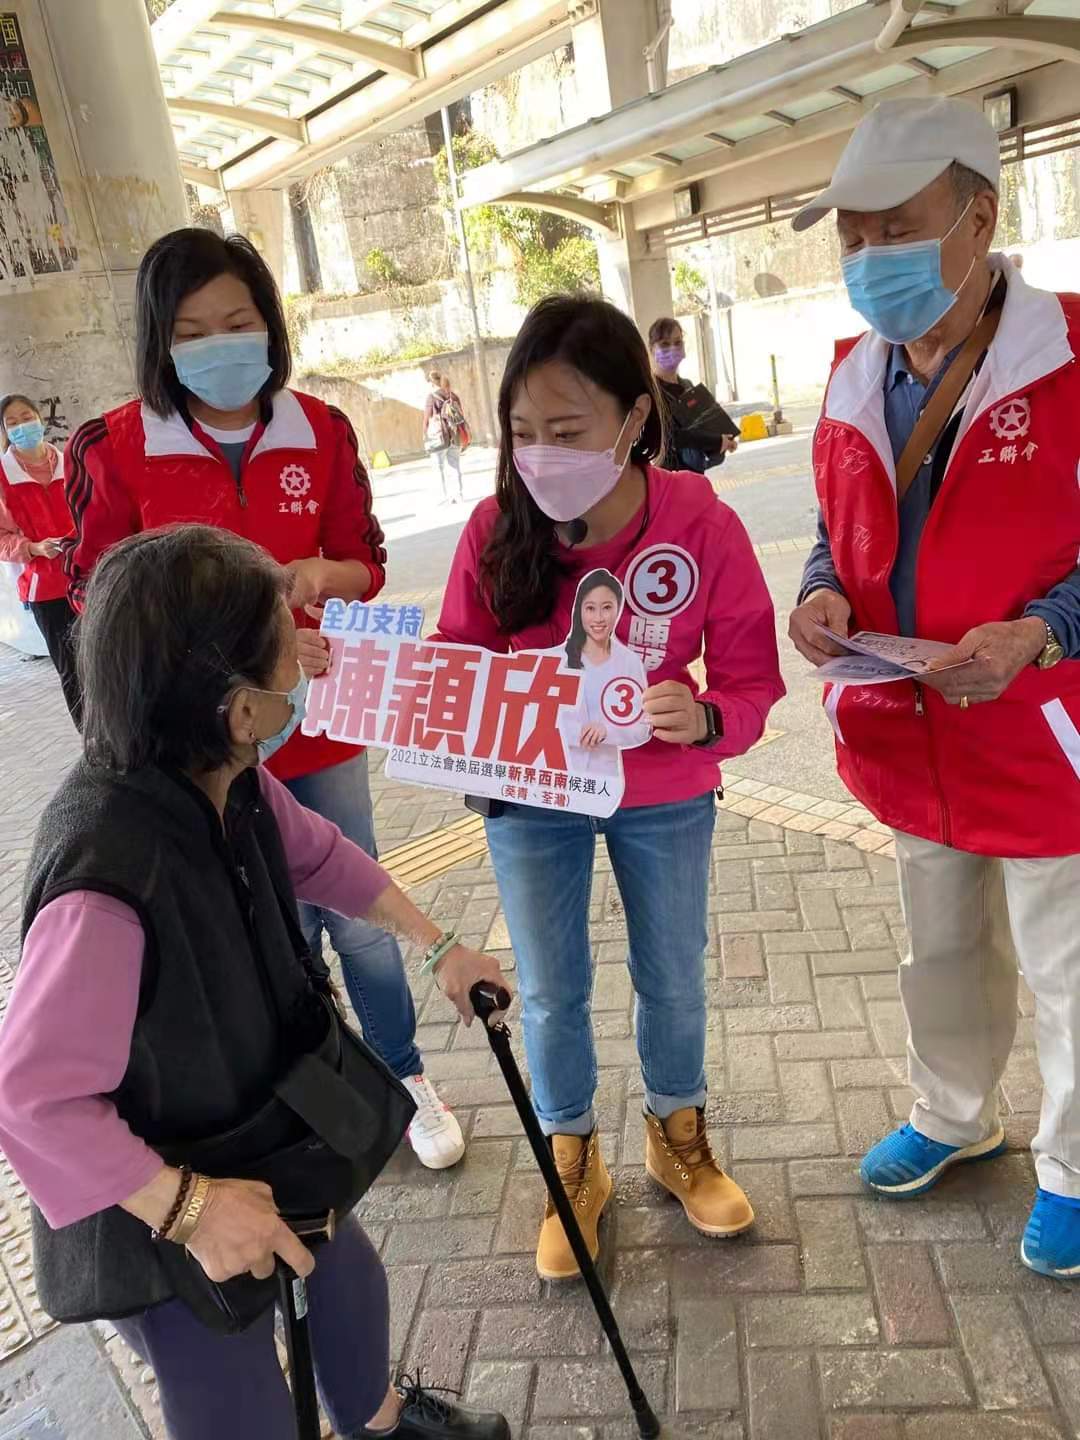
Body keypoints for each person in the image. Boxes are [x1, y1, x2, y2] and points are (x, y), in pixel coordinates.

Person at [0, 524, 510, 1440]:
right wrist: (190, 1208)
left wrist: (439, 949)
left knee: (349, 1284)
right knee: (238, 1403)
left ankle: (380, 1424)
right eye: (289, 651)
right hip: (150, 1197)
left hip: (255, 1126)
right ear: (240, 709)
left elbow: (322, 858)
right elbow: (32, 1101)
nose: (303, 663)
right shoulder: (106, 879)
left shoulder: (223, 777)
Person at [62, 229, 465, 1170]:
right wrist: (219, 658)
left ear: (270, 326)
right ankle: (314, 1085)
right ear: (158, 340)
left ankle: (404, 1075)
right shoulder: (115, 449)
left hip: (318, 723)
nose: (219, 345)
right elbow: (99, 600)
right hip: (203, 752)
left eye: (236, 322)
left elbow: (364, 562)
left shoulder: (320, 430)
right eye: (191, 331)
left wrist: (323, 577)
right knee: (262, 929)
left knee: (359, 912)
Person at [787, 97, 1080, 1279]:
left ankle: (1074, 1169)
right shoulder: (853, 374)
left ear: (980, 218)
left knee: (1068, 966)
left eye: (895, 229)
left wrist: (1043, 633)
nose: (870, 259)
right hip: (912, 727)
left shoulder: (1071, 355)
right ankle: (957, 1114)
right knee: (942, 948)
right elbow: (837, 524)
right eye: (852, 237)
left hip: (1045, 729)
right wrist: (820, 590)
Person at [436, 294, 784, 1279]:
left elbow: (751, 679)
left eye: (568, 429)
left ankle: (679, 1138)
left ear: (635, 418)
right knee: (550, 990)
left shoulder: (700, 524)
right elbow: (458, 664)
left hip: (664, 794)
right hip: (533, 800)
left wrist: (705, 717)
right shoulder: (494, 528)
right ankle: (572, 1160)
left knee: (672, 972)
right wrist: (419, 705)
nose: (541, 455)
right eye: (522, 432)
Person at [0, 393, 81, 722]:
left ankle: (121, 734)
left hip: (88, 576)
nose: (22, 426)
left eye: (27, 417)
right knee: (71, 668)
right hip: (44, 589)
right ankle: (91, 738)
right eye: (12, 423)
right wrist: (33, 548)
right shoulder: (3, 477)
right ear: (5, 431)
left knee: (107, 661)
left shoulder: (71, 462)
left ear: (40, 418)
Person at [558, 568, 650, 778]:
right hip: (557, 777)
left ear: (618, 609)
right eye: (590, 608)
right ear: (579, 611)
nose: (598, 618)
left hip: (604, 781)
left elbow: (643, 727)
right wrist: (579, 733)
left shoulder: (629, 661)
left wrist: (607, 730)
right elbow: (536, 721)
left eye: (607, 608)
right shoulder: (556, 659)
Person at [648, 318, 738, 473]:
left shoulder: (688, 386)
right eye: (664, 344)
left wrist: (725, 439)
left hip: (694, 476)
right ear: (651, 349)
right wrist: (716, 441)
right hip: (669, 476)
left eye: (678, 342)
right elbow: (671, 436)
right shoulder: (651, 392)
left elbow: (705, 424)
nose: (672, 348)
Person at [423, 370, 466, 504]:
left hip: (439, 437)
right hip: (455, 435)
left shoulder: (431, 397)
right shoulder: (453, 396)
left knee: (438, 467)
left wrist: (424, 434)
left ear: (431, 383)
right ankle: (459, 495)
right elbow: (461, 414)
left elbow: (427, 418)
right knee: (455, 466)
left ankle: (444, 497)